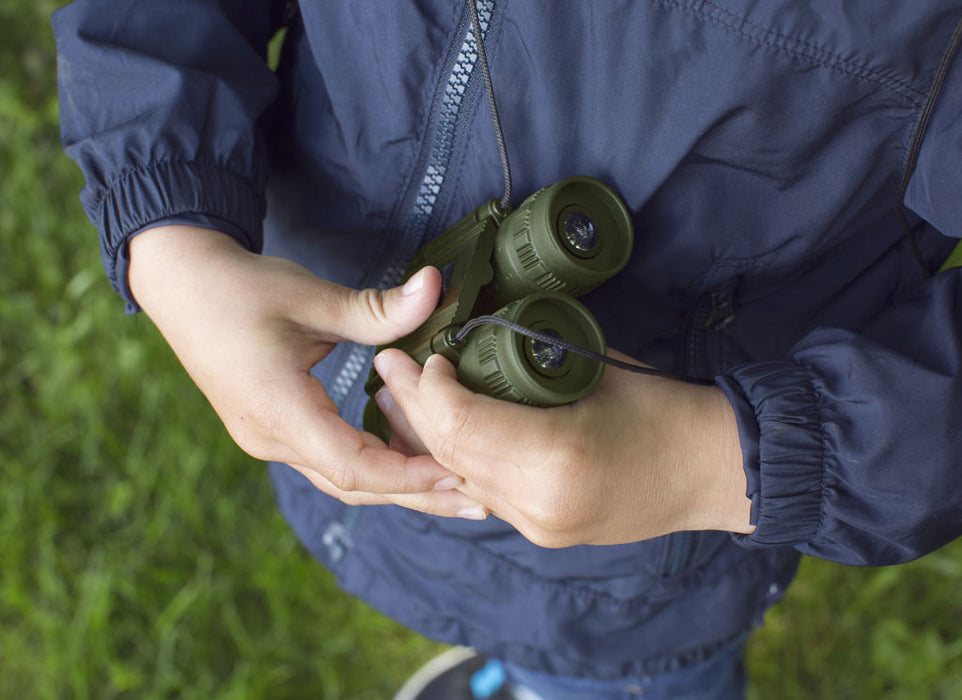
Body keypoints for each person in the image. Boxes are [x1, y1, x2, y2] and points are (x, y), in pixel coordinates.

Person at [53, 1, 962, 697]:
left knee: (603, 673)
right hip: (319, 316)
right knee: (503, 610)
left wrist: (710, 461)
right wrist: (173, 236)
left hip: (639, 554)